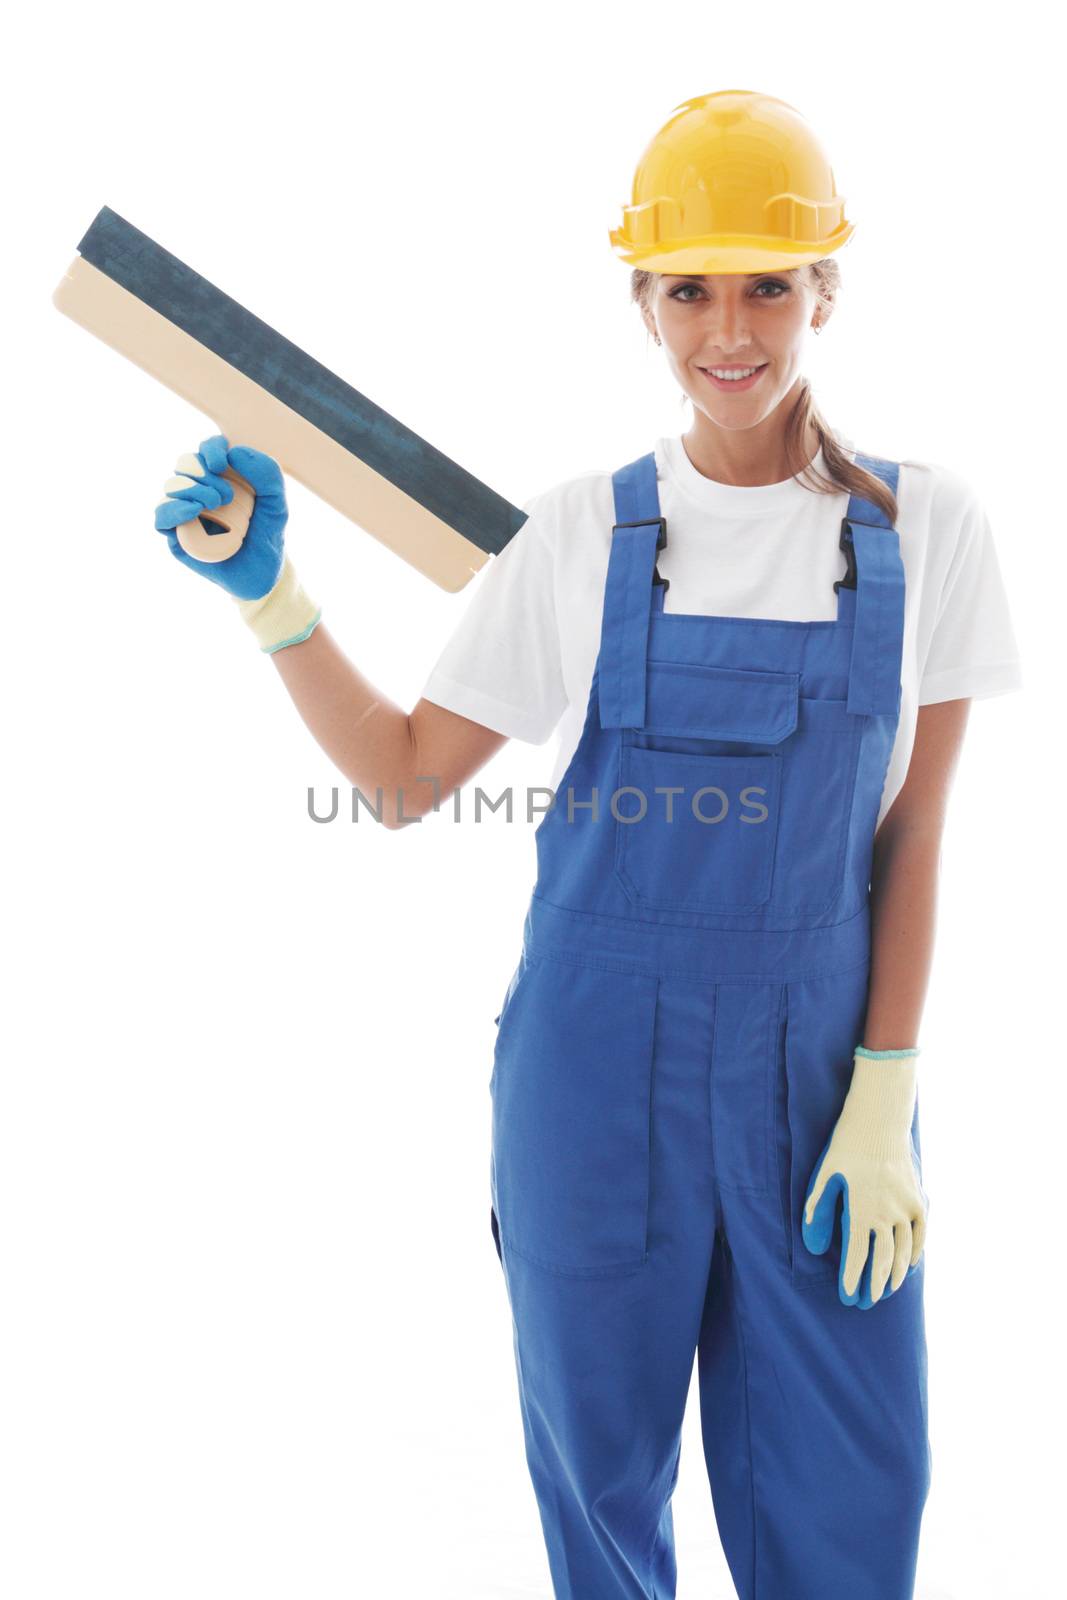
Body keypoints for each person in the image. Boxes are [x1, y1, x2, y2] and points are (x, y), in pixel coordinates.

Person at [153, 90, 1023, 1600]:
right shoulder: (574, 536)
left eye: (769, 283)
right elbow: (410, 774)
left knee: (853, 1488)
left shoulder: (924, 528)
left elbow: (922, 832)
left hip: (822, 1083)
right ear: (642, 301)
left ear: (829, 292)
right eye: (690, 288)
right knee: (599, 1489)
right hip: (591, 1072)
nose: (730, 327)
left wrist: (885, 1085)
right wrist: (269, 592)